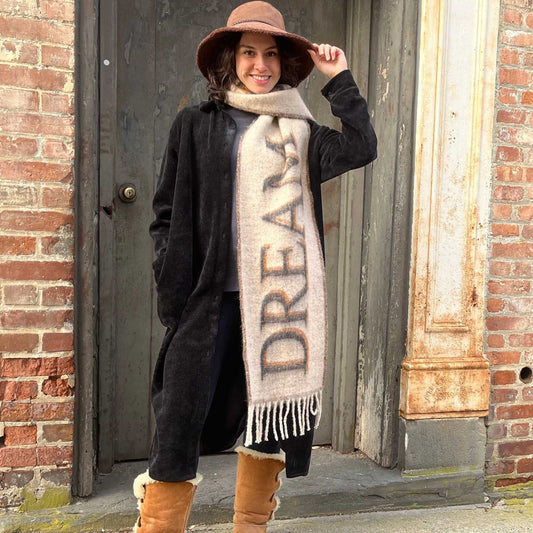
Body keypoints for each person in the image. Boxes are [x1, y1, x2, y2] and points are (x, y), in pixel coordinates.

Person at [132, 1, 377, 532]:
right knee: (177, 422)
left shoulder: (302, 132)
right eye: (248, 53)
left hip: (277, 306)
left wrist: (339, 80)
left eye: (270, 55)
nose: (259, 65)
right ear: (231, 59)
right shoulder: (196, 125)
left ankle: (251, 524)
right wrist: (171, 284)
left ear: (284, 64)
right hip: (208, 303)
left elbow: (361, 147)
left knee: (266, 423)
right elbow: (165, 212)